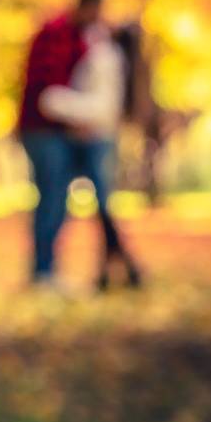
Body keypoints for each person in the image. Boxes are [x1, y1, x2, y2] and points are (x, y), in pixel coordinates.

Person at [39, 22, 142, 290]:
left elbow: (101, 106)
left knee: (88, 206)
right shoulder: (113, 57)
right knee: (99, 207)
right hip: (92, 138)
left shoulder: (106, 57)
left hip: (94, 139)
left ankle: (122, 269)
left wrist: (54, 102)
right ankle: (120, 269)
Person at [18, 0, 100, 284]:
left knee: (57, 199)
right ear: (85, 7)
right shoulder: (56, 33)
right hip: (42, 130)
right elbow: (48, 90)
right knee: (52, 199)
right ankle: (43, 271)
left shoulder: (80, 37)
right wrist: (74, 116)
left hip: (56, 131)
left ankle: (47, 268)